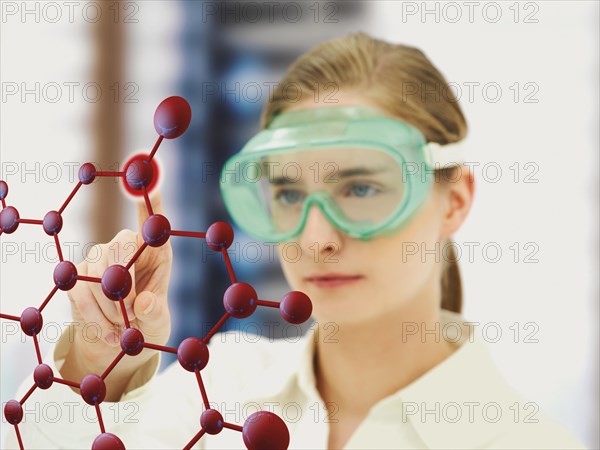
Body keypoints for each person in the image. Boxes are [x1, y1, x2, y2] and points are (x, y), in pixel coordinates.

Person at [4, 32, 586, 450]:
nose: (316, 238)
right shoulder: (217, 395)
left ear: (454, 200)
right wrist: (99, 357)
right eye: (287, 193)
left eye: (359, 187)